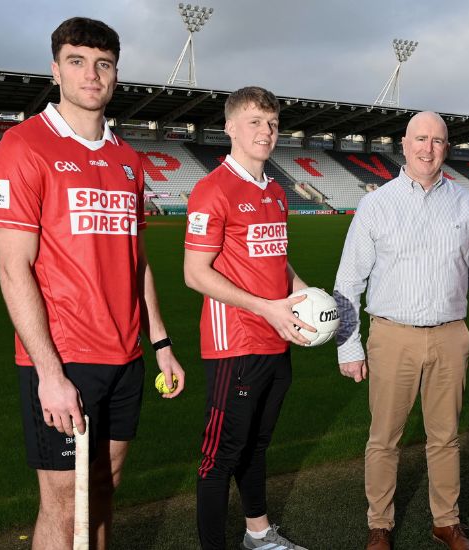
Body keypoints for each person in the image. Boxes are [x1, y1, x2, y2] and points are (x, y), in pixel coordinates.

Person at [0, 17, 185, 549]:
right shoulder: (23, 146)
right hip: (64, 358)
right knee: (64, 504)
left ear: (115, 74)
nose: (91, 74)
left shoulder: (128, 159)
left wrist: (160, 342)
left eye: (103, 64)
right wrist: (49, 373)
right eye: (77, 61)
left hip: (126, 357)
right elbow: (13, 269)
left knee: (104, 488)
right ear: (55, 70)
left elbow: (137, 260)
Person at [334, 111, 469, 550]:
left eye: (437, 140)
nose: (428, 148)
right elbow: (348, 281)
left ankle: (446, 522)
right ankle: (380, 525)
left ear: (446, 148)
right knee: (383, 438)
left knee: (445, 437)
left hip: (450, 335)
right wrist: (347, 346)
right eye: (421, 139)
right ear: (405, 145)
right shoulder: (377, 204)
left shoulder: (467, 204)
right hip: (392, 336)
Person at [183, 86, 313, 550]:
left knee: (257, 445)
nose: (266, 131)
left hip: (277, 338)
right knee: (220, 457)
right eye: (255, 121)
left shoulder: (275, 191)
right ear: (230, 128)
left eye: (272, 123)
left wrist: (301, 291)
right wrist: (266, 308)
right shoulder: (212, 189)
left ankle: (258, 535)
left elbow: (276, 258)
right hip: (235, 344)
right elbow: (195, 274)